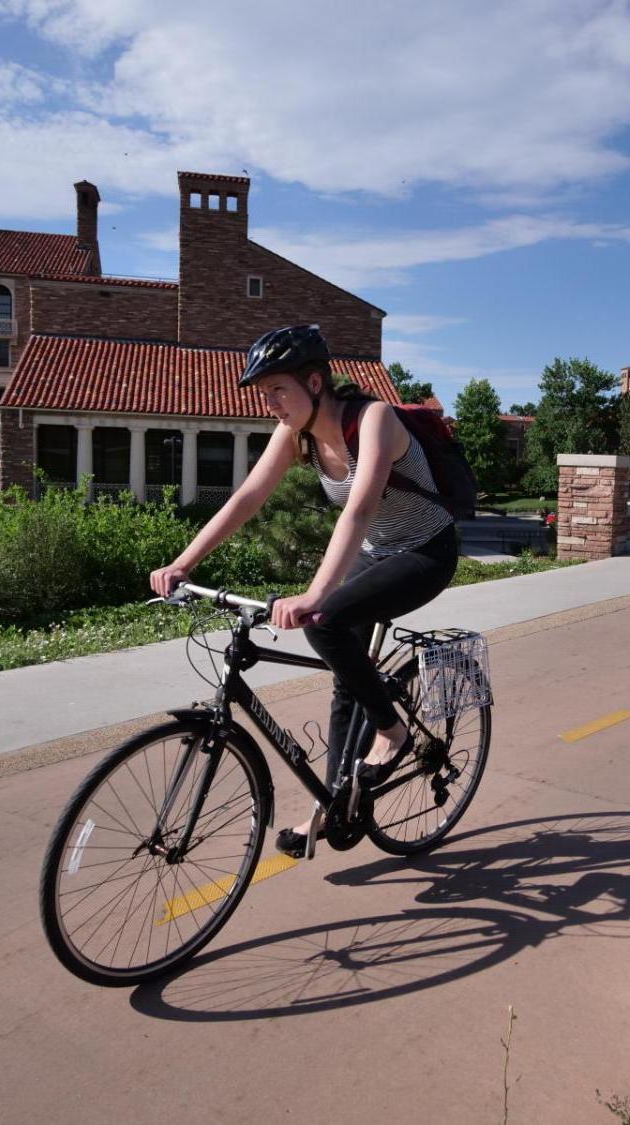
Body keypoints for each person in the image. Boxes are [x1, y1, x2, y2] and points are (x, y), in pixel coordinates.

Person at [149, 325, 458, 859]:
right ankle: (335, 806)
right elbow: (247, 497)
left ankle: (392, 731)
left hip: (426, 550)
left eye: (278, 390)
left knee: (328, 622)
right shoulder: (295, 434)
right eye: (264, 394)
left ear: (315, 382)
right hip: (377, 552)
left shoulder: (373, 420)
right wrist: (182, 562)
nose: (271, 404)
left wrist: (315, 595)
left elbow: (359, 510)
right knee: (346, 675)